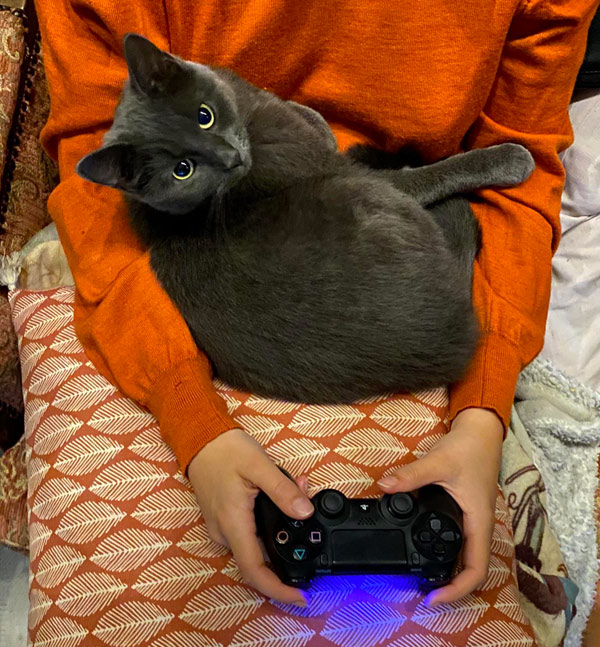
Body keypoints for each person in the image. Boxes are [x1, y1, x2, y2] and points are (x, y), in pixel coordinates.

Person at [34, 0, 598, 611]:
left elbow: (522, 157)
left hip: (382, 250)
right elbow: (92, 176)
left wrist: (482, 410)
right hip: (179, 298)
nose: (224, 150)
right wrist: (195, 425)